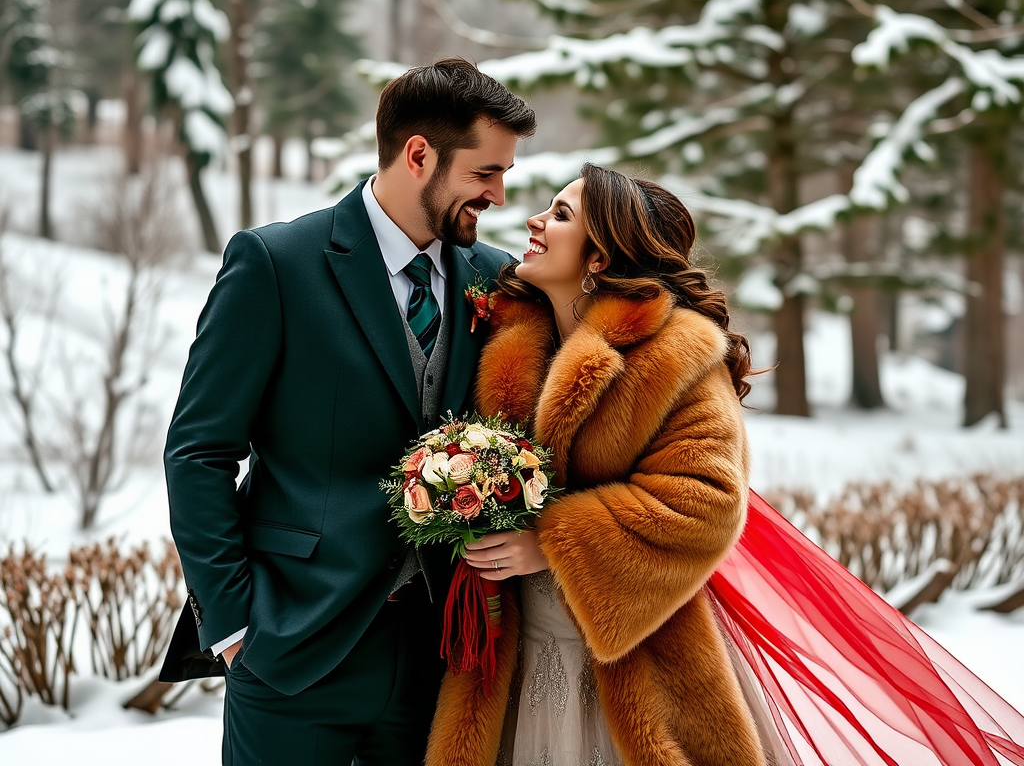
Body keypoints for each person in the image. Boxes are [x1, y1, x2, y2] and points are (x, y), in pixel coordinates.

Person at [425, 164, 1024, 766]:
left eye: (559, 215)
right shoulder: (506, 340)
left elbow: (706, 502)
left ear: (601, 256)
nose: (532, 219)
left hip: (633, 661)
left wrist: (551, 543)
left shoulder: (676, 354)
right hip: (505, 656)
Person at [159, 58, 536, 766]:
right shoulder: (276, 262)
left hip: (442, 659)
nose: (499, 193)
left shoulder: (492, 275)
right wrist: (237, 623)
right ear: (419, 154)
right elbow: (199, 451)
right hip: (293, 647)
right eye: (486, 172)